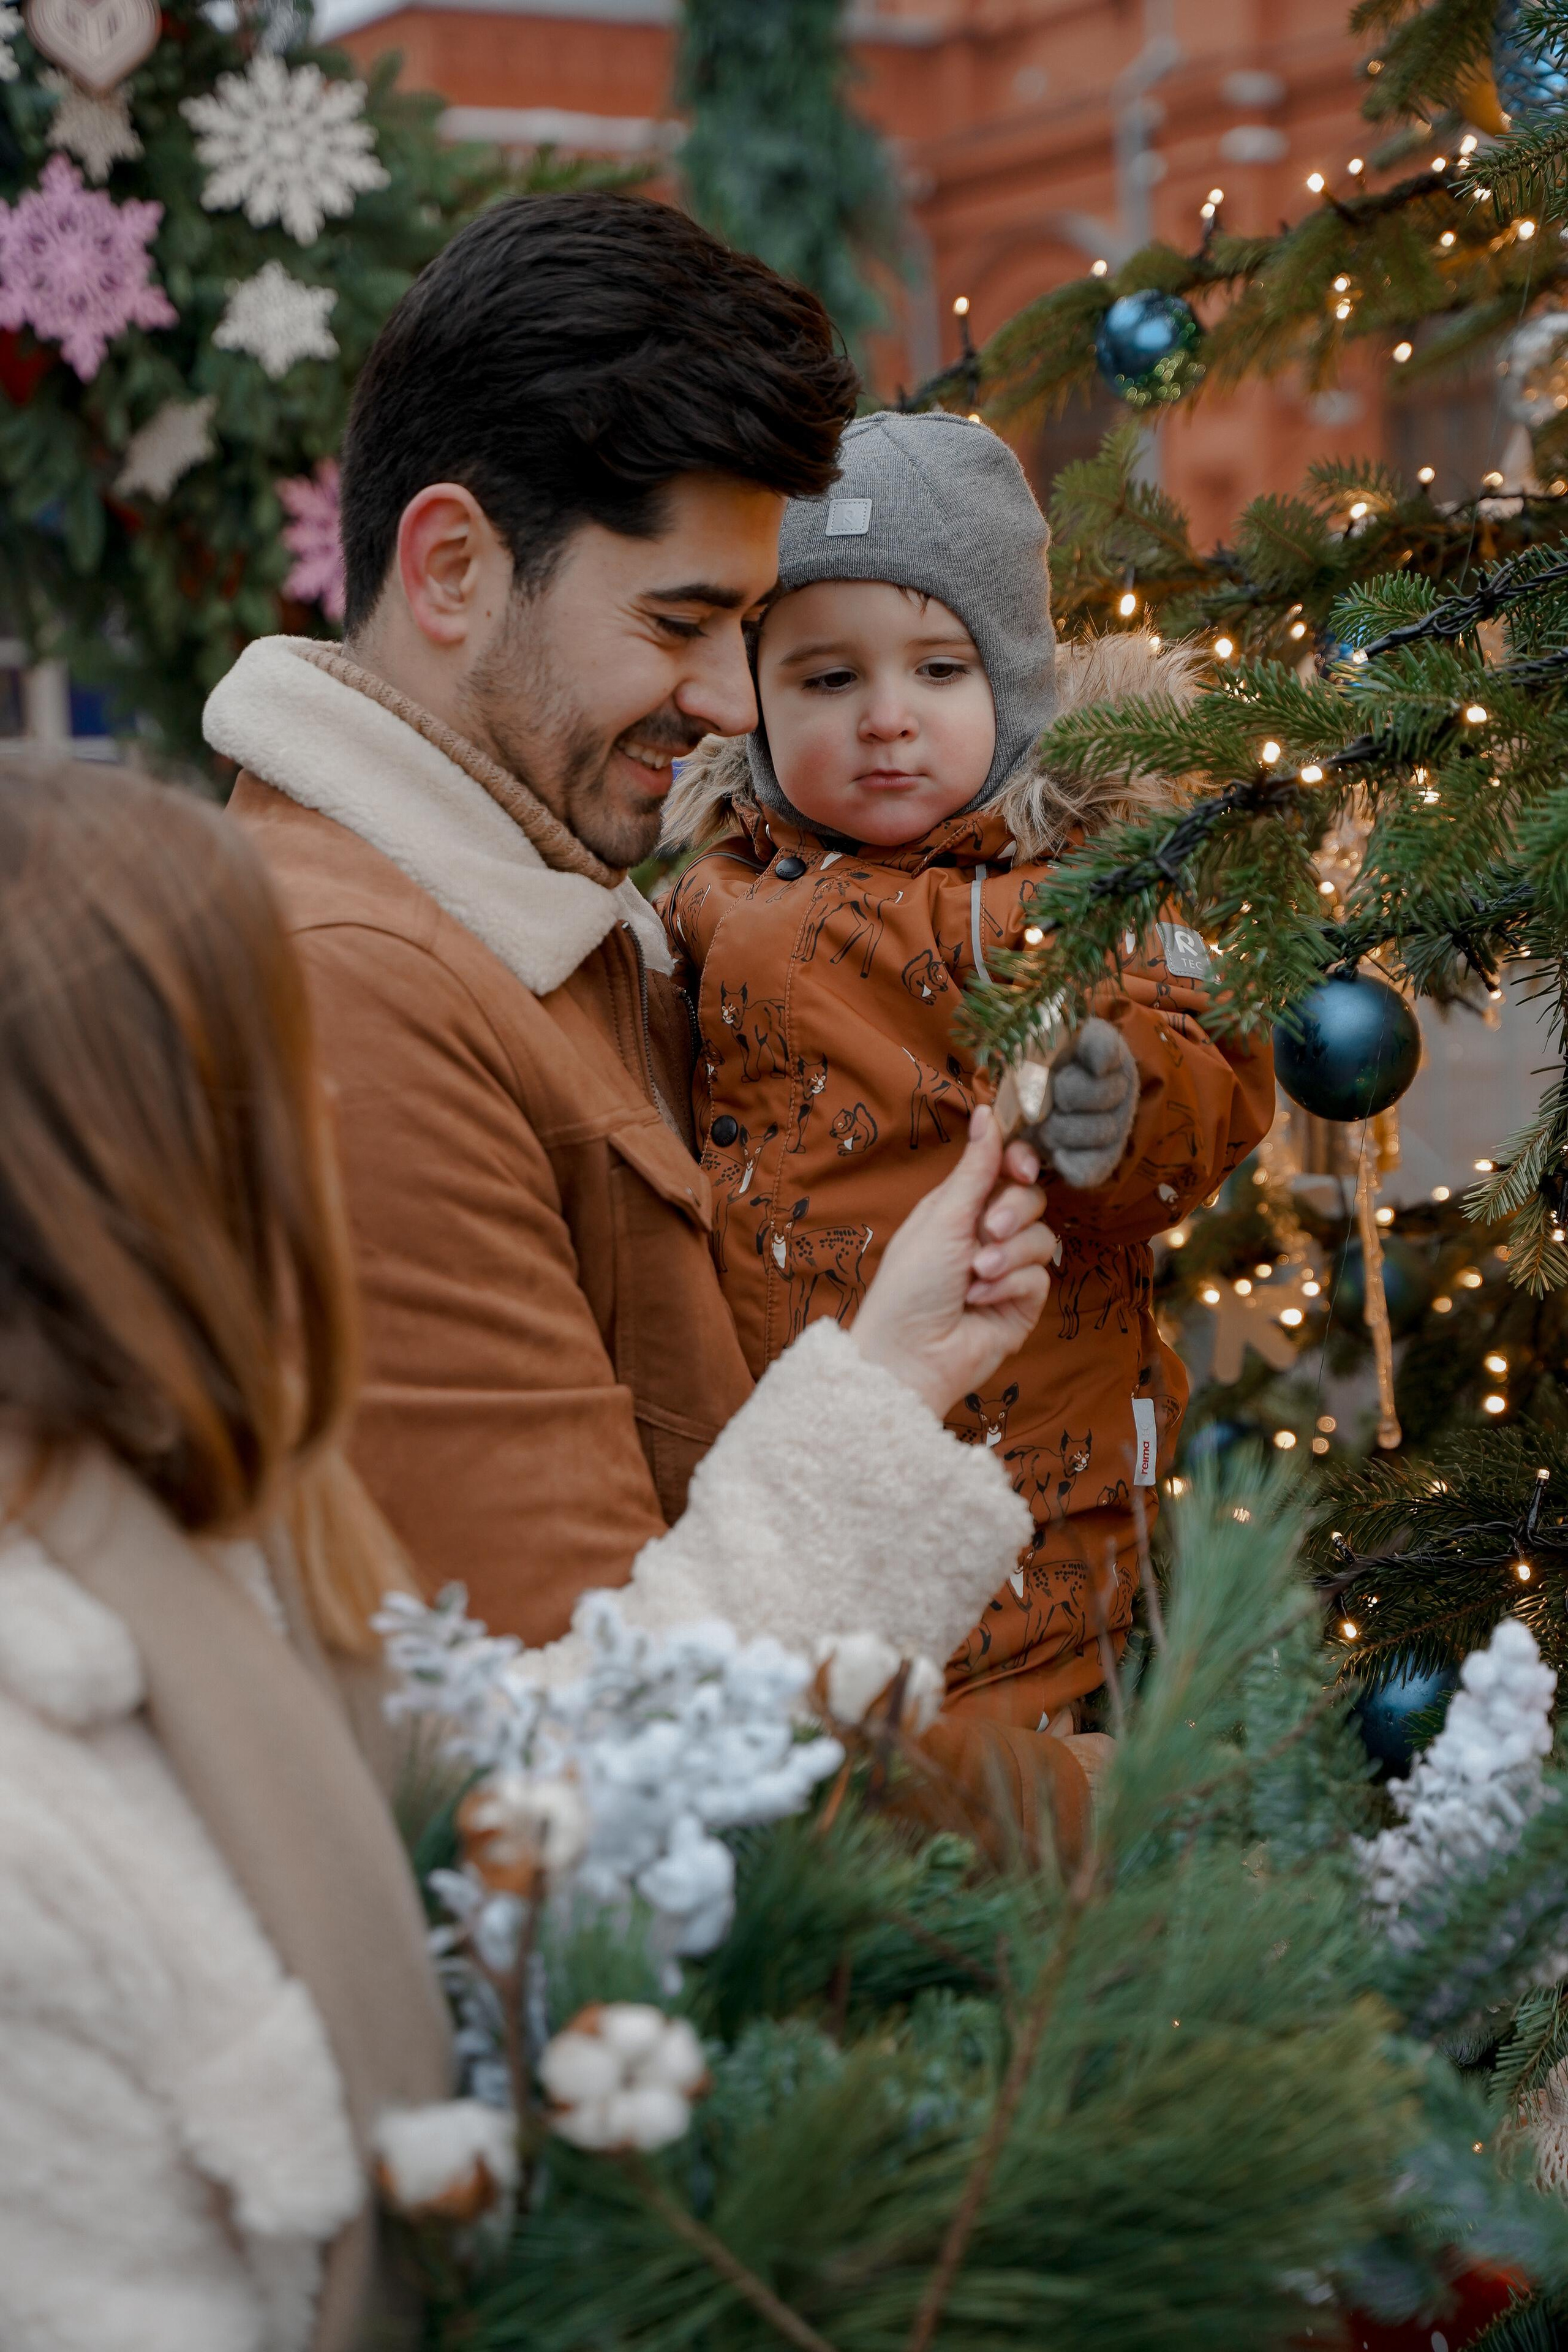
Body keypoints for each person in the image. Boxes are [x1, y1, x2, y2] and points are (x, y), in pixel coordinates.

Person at [206, 194, 1059, 1691]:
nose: (735, 704)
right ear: (455, 568)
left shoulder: (553, 923)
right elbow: (593, 1742)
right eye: (678, 624)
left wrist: (892, 1366)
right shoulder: (353, 992)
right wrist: (1120, 1829)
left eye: (745, 632)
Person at [662, 410, 1276, 1747]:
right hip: (765, 1460)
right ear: (757, 694)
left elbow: (1206, 1076)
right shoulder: (706, 895)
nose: (886, 722)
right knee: (801, 1767)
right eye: (825, 680)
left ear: (1013, 682)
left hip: (1023, 1488)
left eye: (937, 668)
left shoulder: (1069, 897)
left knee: (985, 1791)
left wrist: (1112, 1100)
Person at [0, 758, 465, 2352]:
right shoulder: (31, 1797)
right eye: (284, 1067)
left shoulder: (228, 1534)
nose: (327, 1115)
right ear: (155, 1153)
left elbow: (526, 1797)